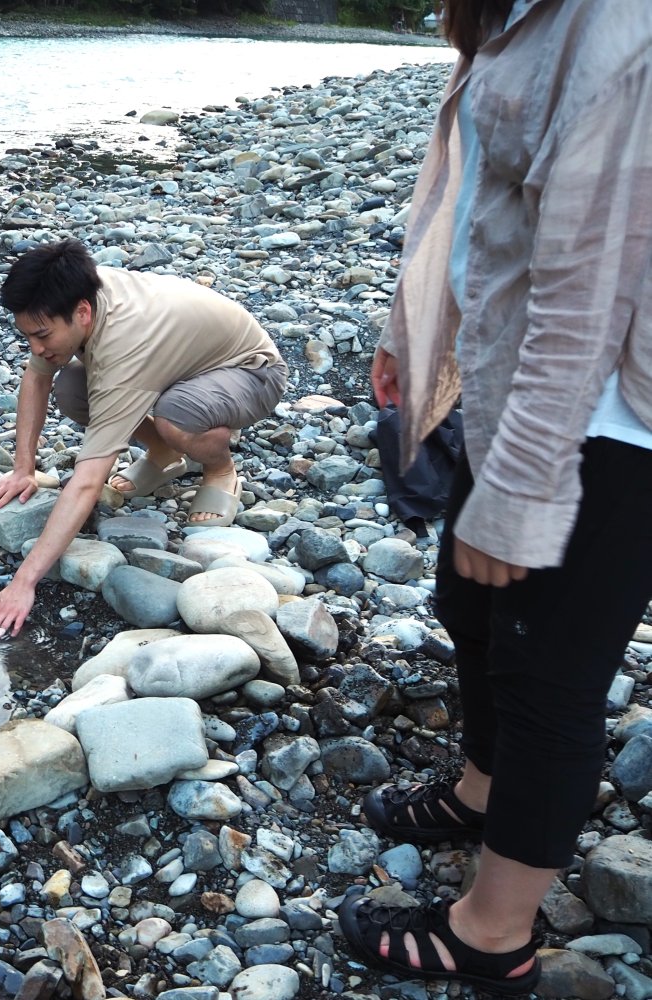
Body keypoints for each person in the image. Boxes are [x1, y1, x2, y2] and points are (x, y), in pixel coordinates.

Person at [337, 0, 652, 995]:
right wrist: (408, 326)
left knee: (550, 672)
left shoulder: (620, 29)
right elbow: (468, 194)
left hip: (613, 415)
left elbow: (587, 285)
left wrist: (523, 485)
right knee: (470, 604)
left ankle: (494, 930)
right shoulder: (515, 13)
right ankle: (481, 784)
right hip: (513, 374)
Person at [0, 239, 287, 638]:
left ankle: (219, 468)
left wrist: (23, 582)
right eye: (28, 336)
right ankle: (165, 455)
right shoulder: (71, 296)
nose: (35, 347)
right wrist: (24, 469)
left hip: (251, 372)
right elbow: (37, 376)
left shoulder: (125, 346)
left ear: (82, 313)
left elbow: (88, 480)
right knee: (72, 387)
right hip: (182, 363)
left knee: (178, 416)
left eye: (42, 336)